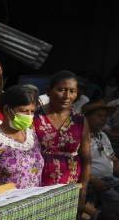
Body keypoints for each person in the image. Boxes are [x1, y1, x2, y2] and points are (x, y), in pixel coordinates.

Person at [34, 70, 91, 208]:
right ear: (48, 91)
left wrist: (83, 190)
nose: (67, 96)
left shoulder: (80, 121)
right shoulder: (34, 116)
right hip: (36, 184)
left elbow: (87, 160)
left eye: (72, 91)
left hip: (69, 185)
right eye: (61, 90)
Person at [0, 85, 44, 189]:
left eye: (32, 111)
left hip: (32, 202)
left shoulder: (31, 135)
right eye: (24, 111)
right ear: (7, 109)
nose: (29, 115)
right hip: (5, 202)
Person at [84, 100, 119, 210]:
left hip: (111, 179)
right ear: (86, 117)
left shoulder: (103, 135)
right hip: (93, 182)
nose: (103, 119)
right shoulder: (81, 138)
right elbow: (76, 166)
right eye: (99, 115)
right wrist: (93, 180)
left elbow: (113, 158)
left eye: (105, 116)